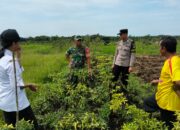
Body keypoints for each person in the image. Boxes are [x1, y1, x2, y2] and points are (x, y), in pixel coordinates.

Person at [0, 29, 39, 129]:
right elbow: (16, 86)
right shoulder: (11, 62)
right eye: (18, 42)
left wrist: (19, 59)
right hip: (17, 103)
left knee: (11, 128)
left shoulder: (3, 59)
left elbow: (14, 76)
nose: (19, 44)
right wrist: (29, 85)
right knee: (34, 127)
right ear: (13, 43)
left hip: (5, 102)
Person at [144, 36, 180, 130]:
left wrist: (176, 89)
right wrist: (158, 81)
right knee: (147, 103)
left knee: (168, 126)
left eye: (160, 47)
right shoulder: (172, 60)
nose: (159, 50)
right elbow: (170, 78)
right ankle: (153, 120)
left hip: (168, 103)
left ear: (164, 48)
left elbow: (178, 81)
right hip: (162, 97)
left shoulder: (173, 62)